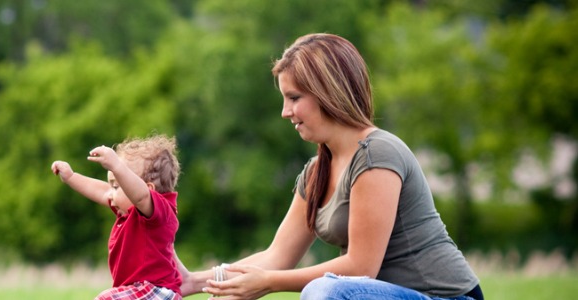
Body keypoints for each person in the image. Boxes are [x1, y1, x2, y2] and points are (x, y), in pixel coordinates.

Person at [178, 33, 482, 300]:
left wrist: (268, 283)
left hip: (444, 297)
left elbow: (360, 268)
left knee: (325, 292)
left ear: (328, 90)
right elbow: (277, 256)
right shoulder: (316, 172)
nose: (285, 112)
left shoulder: (376, 153)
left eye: (294, 97)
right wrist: (197, 282)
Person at [51, 134, 183, 300]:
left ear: (148, 188)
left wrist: (116, 166)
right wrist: (71, 177)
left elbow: (141, 196)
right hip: (140, 292)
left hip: (155, 291)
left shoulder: (160, 212)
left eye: (116, 186)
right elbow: (102, 191)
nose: (110, 194)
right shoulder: (129, 214)